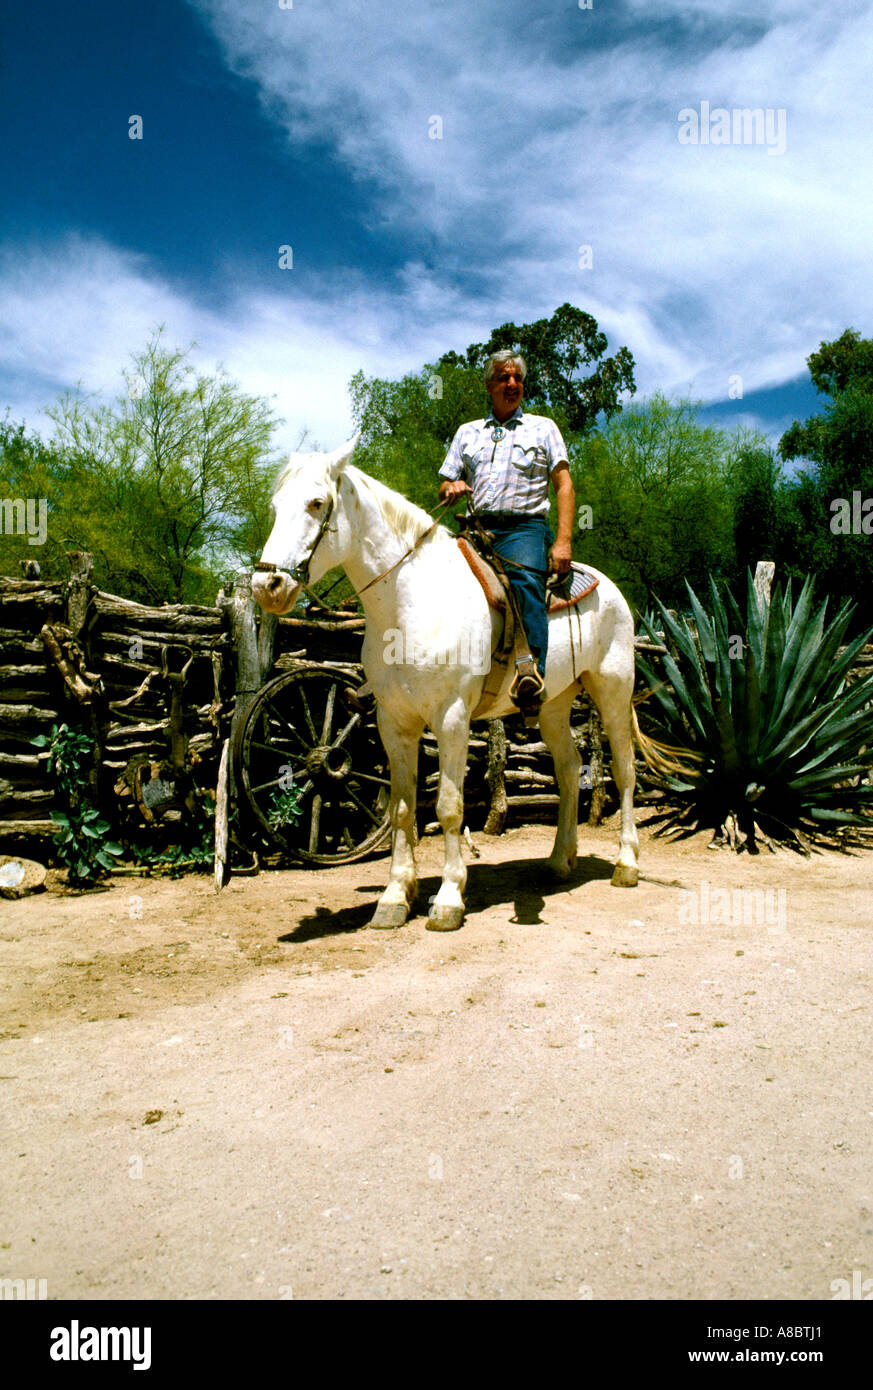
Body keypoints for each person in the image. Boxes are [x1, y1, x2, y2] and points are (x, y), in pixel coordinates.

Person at [438, 349, 575, 710]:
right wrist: (450, 488)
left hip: (524, 529)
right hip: (475, 528)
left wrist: (562, 541)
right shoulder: (467, 432)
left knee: (526, 583)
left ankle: (531, 673)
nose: (511, 383)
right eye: (503, 377)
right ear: (489, 385)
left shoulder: (543, 428)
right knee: (429, 574)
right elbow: (447, 482)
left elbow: (563, 484)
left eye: (517, 378)